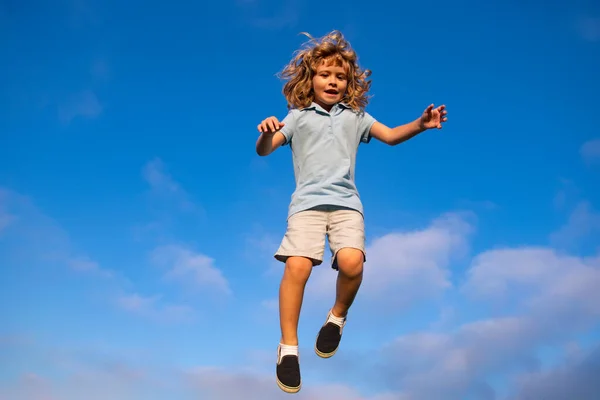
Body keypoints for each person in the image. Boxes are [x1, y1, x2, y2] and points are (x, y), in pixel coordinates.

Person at [255, 30, 447, 394]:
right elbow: (265, 150)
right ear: (310, 79)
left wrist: (421, 125)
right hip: (306, 206)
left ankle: (337, 316)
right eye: (325, 74)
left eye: (340, 77)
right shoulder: (296, 118)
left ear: (349, 84)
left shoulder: (355, 117)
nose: (333, 81)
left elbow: (389, 136)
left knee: (352, 263)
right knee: (297, 266)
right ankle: (289, 349)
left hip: (346, 204)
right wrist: (267, 132)